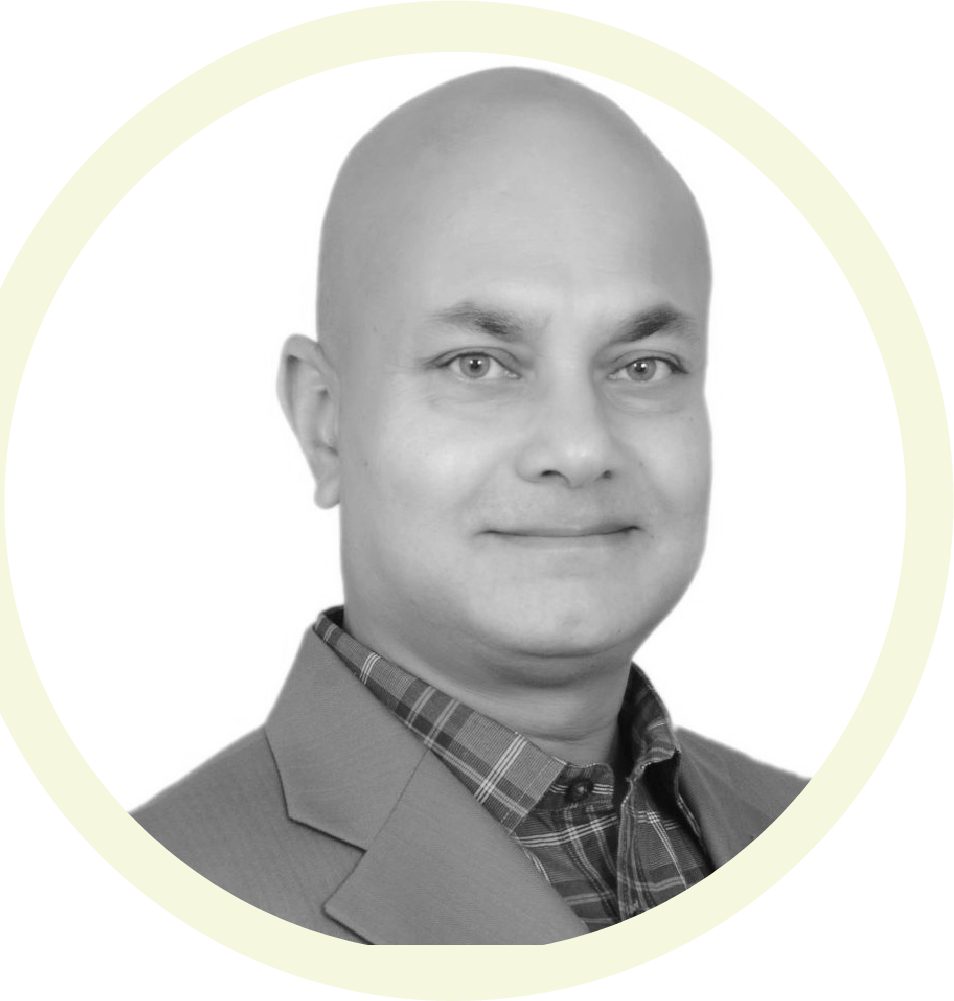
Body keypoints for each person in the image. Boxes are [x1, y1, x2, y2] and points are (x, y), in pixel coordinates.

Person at [133, 66, 806, 945]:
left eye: (642, 366)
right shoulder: (143, 903)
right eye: (477, 364)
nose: (579, 447)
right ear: (325, 423)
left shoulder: (828, 838)